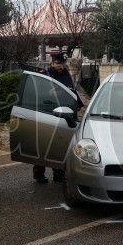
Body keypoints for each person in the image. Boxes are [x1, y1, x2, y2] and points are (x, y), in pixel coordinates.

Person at [33, 53, 84, 184]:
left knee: (62, 144)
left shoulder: (66, 74)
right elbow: (37, 93)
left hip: (66, 114)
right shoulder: (45, 74)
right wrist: (49, 93)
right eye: (58, 64)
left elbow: (72, 90)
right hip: (49, 113)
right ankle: (39, 173)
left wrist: (77, 105)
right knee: (44, 144)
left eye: (62, 64)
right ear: (52, 63)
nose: (60, 66)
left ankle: (58, 173)